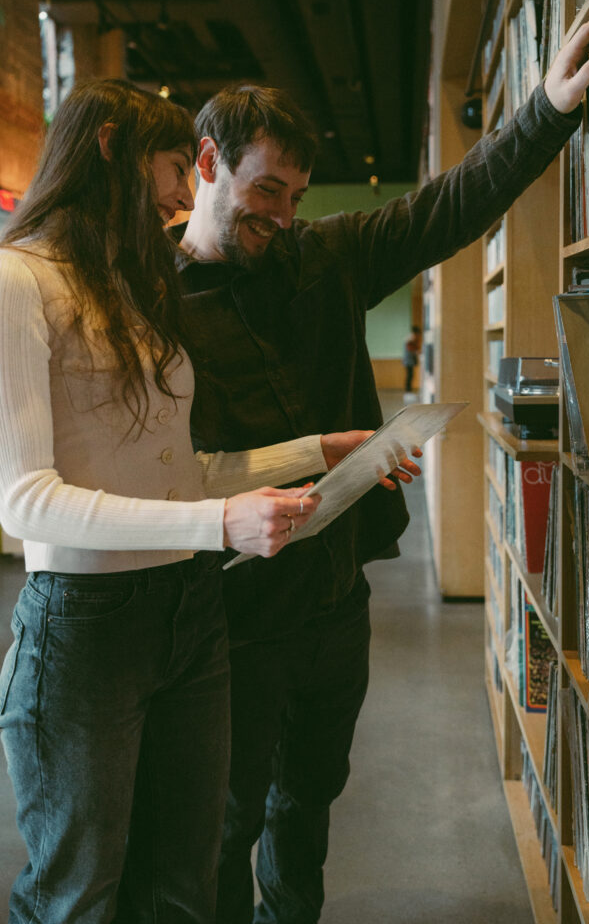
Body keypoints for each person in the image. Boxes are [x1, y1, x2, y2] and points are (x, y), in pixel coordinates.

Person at [174, 16, 589, 924]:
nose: (282, 217)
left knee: (307, 800)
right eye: (266, 190)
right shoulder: (150, 299)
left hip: (335, 600)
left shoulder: (319, 260)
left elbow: (443, 210)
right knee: (221, 822)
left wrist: (546, 109)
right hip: (230, 615)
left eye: (296, 197)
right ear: (206, 162)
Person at [0, 78, 386, 924]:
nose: (185, 194)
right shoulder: (16, 282)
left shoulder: (135, 289)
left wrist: (311, 453)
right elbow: (26, 502)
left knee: (178, 888)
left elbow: (178, 472)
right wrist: (218, 526)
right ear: (111, 148)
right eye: (177, 167)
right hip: (86, 626)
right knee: (77, 892)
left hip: (191, 611)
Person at [402, 324, 422, 393]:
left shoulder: (410, 337)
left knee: (410, 375)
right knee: (410, 375)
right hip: (408, 360)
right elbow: (411, 348)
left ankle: (408, 389)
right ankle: (408, 389)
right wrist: (417, 350)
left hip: (409, 359)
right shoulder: (411, 338)